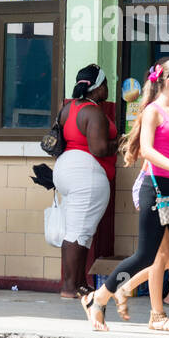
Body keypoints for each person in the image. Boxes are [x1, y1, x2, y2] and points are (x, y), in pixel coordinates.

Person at [81, 58, 169, 337]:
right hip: (155, 190)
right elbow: (146, 150)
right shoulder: (153, 112)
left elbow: (167, 149)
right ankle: (100, 297)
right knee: (145, 256)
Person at [53, 64, 117, 298]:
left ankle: (79, 283)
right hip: (85, 172)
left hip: (66, 168)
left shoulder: (67, 109)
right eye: (106, 85)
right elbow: (99, 148)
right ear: (98, 88)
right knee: (77, 232)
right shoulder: (93, 112)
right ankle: (69, 287)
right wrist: (120, 142)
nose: (107, 90)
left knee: (80, 231)